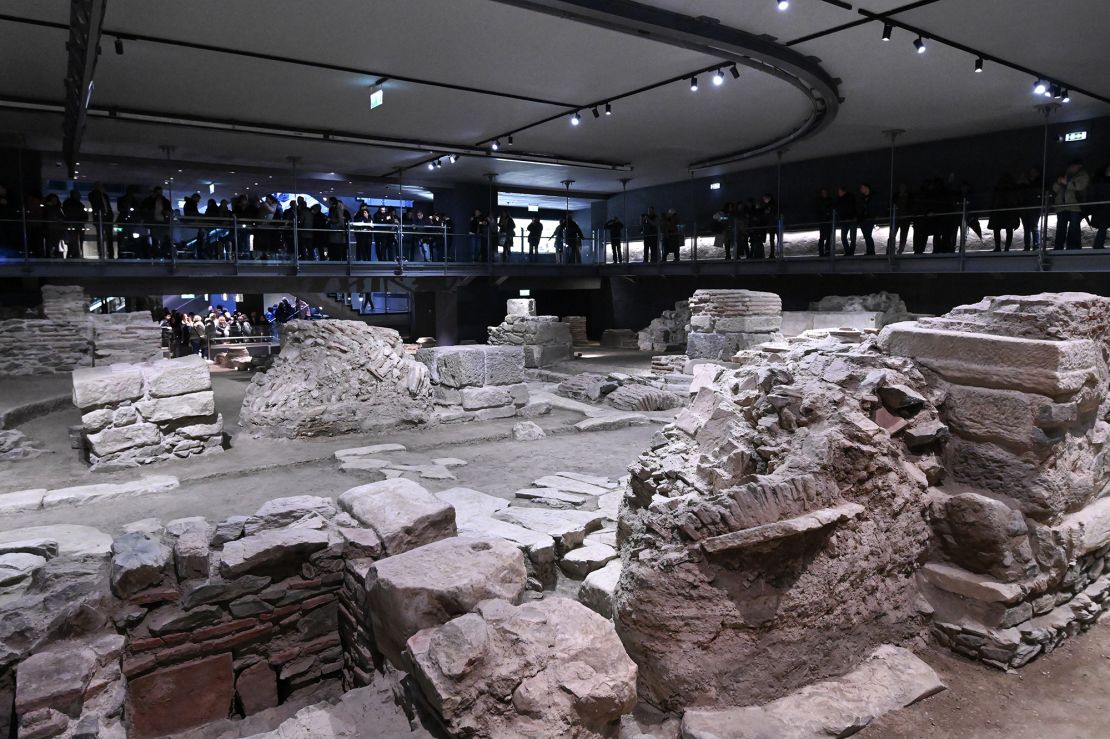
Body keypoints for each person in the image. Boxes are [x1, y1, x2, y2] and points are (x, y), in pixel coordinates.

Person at [1053, 159, 1090, 250]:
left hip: (1075, 206)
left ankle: (1073, 247)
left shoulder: (1083, 175)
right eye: (1071, 166)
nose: (1072, 168)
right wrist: (1058, 182)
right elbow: (1055, 189)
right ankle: (1058, 247)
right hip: (1061, 206)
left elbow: (1079, 186)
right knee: (1061, 227)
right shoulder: (1063, 175)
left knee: (1074, 227)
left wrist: (1067, 183)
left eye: (1074, 166)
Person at [987, 174, 1020, 252]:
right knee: (1008, 229)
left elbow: (993, 201)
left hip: (999, 211)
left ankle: (998, 247)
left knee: (998, 229)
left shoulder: (998, 190)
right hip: (1008, 211)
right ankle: (1006, 248)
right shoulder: (1011, 189)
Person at [141, 185, 172, 259]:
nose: (159, 194)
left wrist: (167, 213)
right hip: (154, 222)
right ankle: (156, 254)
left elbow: (169, 211)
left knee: (161, 239)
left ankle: (160, 254)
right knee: (155, 239)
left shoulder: (164, 201)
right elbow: (143, 208)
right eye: (158, 193)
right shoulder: (150, 200)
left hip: (161, 222)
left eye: (160, 193)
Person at [1017, 168, 1043, 251]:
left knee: (1032, 227)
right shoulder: (1029, 183)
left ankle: (1034, 246)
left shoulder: (1036, 182)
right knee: (1028, 228)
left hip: (1031, 207)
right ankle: (1030, 246)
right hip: (1028, 207)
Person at [1087, 164, 1110, 250]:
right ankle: (1098, 245)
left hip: (1103, 207)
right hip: (1102, 208)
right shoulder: (1099, 182)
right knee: (1103, 227)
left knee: (1103, 227)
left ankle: (1098, 245)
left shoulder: (1099, 182)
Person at [88, 182, 113, 258]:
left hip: (108, 218)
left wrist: (111, 215)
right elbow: (95, 203)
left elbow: (108, 206)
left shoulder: (105, 195)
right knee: (100, 236)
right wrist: (98, 192)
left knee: (109, 237)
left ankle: (110, 253)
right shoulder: (93, 194)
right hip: (99, 218)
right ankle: (101, 253)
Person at [61, 188, 87, 259]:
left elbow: (84, 214)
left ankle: (76, 253)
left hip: (77, 224)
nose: (79, 196)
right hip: (73, 224)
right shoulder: (72, 203)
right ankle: (74, 254)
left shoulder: (79, 204)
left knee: (76, 240)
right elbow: (69, 213)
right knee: (73, 240)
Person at [835, 185, 857, 256]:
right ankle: (849, 252)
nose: (838, 193)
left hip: (849, 219)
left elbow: (851, 208)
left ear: (843, 191)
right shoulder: (840, 199)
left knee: (850, 237)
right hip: (847, 219)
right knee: (847, 237)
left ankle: (849, 252)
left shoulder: (848, 198)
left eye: (839, 192)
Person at [42, 193, 66, 258]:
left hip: (57, 229)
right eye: (53, 200)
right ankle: (51, 255)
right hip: (50, 229)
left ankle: (56, 255)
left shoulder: (58, 208)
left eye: (55, 200)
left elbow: (62, 217)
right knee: (51, 243)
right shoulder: (47, 208)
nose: (54, 201)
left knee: (56, 244)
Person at [893, 183, 913, 254]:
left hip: (905, 218)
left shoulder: (909, 196)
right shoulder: (896, 196)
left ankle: (900, 250)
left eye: (903, 187)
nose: (902, 188)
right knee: (892, 235)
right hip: (897, 218)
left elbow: (911, 206)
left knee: (903, 235)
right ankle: (891, 250)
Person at [856, 184, 876, 256]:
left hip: (869, 218)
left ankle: (871, 251)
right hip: (863, 219)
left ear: (866, 188)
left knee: (867, 235)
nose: (861, 189)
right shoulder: (862, 198)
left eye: (862, 188)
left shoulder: (872, 197)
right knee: (867, 235)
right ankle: (870, 251)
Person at [814, 188, 833, 257]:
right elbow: (818, 210)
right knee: (822, 237)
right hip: (823, 221)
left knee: (828, 237)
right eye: (823, 192)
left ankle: (826, 251)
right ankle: (821, 251)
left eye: (825, 192)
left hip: (827, 221)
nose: (824, 194)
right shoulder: (819, 201)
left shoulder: (829, 200)